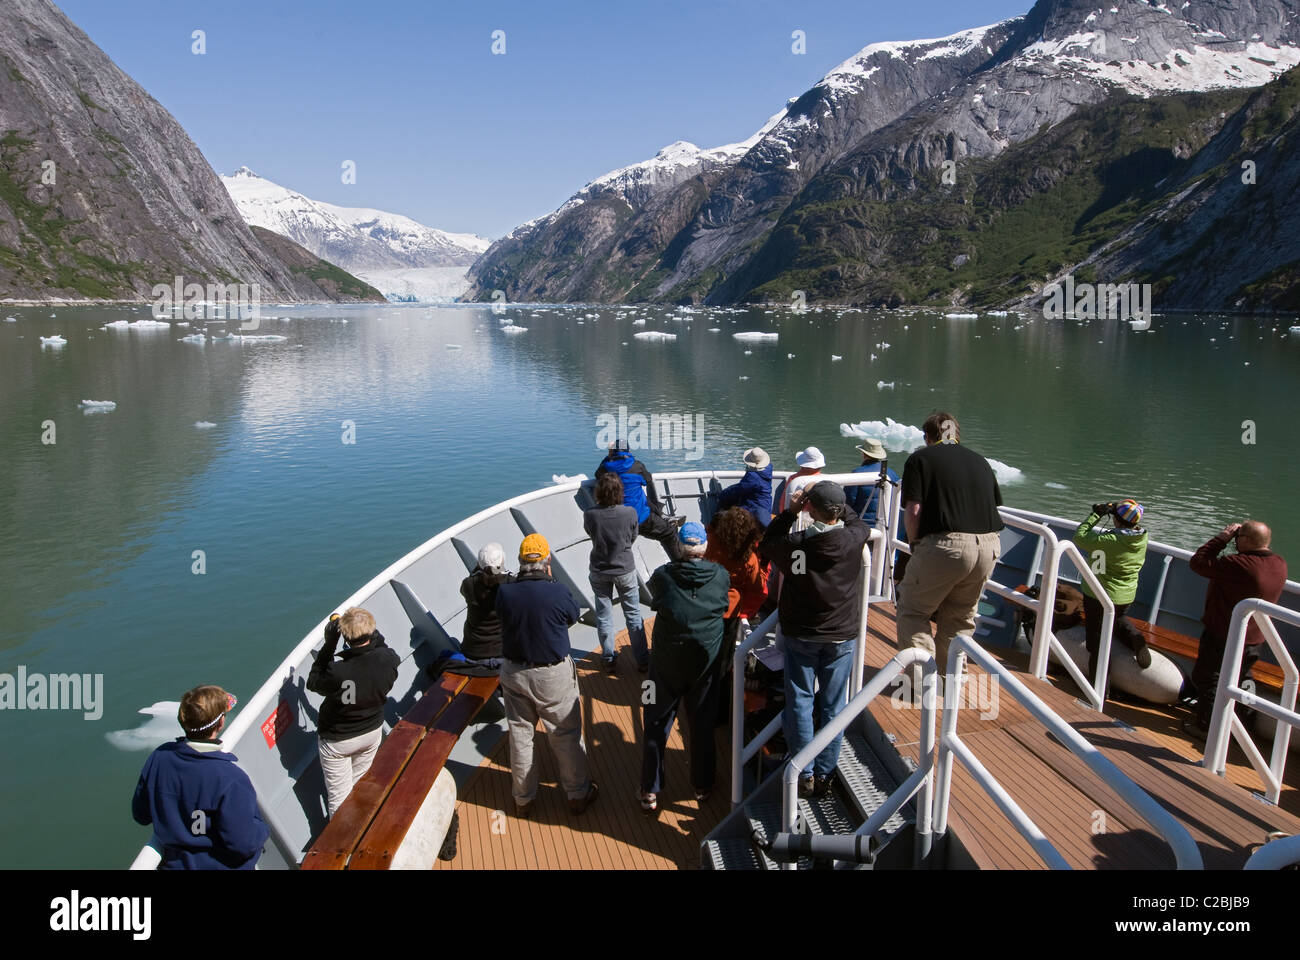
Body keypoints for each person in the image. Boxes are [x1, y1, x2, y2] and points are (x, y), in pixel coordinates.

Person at [760, 481, 872, 797]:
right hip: (841, 635)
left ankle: (804, 771)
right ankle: (825, 773)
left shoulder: (796, 546)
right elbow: (858, 523)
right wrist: (837, 504)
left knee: (800, 701)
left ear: (811, 508)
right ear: (838, 511)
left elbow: (769, 542)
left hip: (803, 634)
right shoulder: (853, 539)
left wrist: (791, 511)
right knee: (834, 706)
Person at [495, 533, 599, 817]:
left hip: (514, 673)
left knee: (520, 735)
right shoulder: (558, 591)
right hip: (551, 675)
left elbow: (502, 615)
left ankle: (523, 799)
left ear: (520, 562)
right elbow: (571, 617)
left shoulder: (504, 592)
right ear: (547, 561)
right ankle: (577, 794)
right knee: (564, 734)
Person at [895, 413, 1003, 678]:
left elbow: (915, 509)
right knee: (960, 618)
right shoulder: (980, 462)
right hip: (988, 545)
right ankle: (952, 680)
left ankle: (921, 684)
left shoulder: (921, 459)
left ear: (928, 436)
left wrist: (915, 544)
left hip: (947, 545)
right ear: (956, 434)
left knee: (913, 611)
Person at [640, 522, 731, 814]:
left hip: (663, 666)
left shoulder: (664, 576)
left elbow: (657, 597)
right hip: (704, 665)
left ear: (679, 547)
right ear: (704, 548)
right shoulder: (720, 576)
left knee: (654, 721)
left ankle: (649, 789)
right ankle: (702, 785)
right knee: (702, 723)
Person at [131, 686, 268, 869]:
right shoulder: (230, 778)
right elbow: (243, 845)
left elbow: (141, 815)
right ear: (220, 724)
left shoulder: (159, 758)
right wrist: (262, 827)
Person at [1185, 520, 1288, 738]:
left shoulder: (1240, 564)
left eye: (1238, 538)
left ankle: (1207, 729)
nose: (1234, 541)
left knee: (1208, 678)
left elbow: (1199, 562)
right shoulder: (1279, 563)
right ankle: (1244, 721)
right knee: (1242, 678)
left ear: (1247, 540)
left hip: (1224, 634)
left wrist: (1222, 537)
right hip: (1255, 638)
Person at [307, 606, 401, 817]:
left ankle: (341, 845)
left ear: (346, 639)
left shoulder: (338, 671)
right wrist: (369, 632)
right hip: (371, 732)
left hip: (338, 742)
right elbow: (382, 647)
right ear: (372, 631)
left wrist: (330, 643)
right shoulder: (388, 659)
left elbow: (314, 682)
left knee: (339, 801)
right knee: (359, 785)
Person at [1073, 500, 1152, 681]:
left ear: (1116, 519)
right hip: (1125, 596)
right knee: (1116, 617)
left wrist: (1097, 514)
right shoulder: (1141, 537)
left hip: (1099, 595)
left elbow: (1080, 536)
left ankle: (1098, 688)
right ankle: (1135, 638)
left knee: (1096, 643)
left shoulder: (1111, 540)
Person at [585, 471, 648, 673]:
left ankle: (609, 658)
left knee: (604, 615)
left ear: (599, 493)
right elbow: (633, 536)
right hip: (625, 569)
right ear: (620, 492)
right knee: (633, 614)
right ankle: (642, 661)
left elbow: (591, 533)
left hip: (599, 569)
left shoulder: (591, 514)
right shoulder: (630, 513)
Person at [596, 441, 684, 560]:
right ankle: (680, 566)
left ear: (611, 452)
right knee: (669, 533)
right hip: (640, 519)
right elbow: (648, 480)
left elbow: (597, 475)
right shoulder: (637, 466)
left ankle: (661, 514)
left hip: (616, 521)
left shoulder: (605, 468)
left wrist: (609, 456)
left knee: (640, 497)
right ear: (628, 450)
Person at [459, 543, 515, 661]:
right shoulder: (511, 584)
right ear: (501, 562)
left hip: (471, 651)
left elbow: (474, 583)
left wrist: (479, 569)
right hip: (501, 651)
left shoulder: (468, 584)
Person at [716, 447, 774, 527]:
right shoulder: (768, 469)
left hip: (754, 507)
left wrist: (722, 495)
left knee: (724, 512)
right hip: (766, 505)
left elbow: (738, 490)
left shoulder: (752, 476)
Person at [847, 439, 899, 528]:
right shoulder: (892, 474)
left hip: (862, 525)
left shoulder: (857, 474)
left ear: (864, 454)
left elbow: (848, 501)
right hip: (886, 524)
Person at [772, 445, 826, 526]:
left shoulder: (794, 479)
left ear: (803, 464)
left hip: (797, 519)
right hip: (819, 518)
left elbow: (783, 503)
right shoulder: (825, 480)